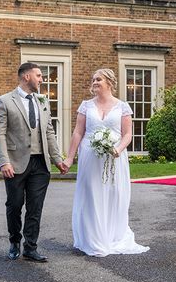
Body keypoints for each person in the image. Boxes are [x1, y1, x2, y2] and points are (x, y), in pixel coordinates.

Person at [63, 68, 149, 257]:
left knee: (113, 193)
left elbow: (127, 134)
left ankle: (112, 236)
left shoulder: (122, 107)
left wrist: (118, 149)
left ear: (109, 82)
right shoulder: (85, 106)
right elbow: (78, 132)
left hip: (115, 157)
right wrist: (70, 158)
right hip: (89, 157)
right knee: (91, 194)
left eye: (98, 79)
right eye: (93, 79)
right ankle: (92, 238)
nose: (94, 82)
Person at [0, 62, 68, 262]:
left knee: (35, 207)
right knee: (15, 205)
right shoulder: (4, 101)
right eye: (39, 75)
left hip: (40, 164)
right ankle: (14, 241)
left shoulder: (43, 101)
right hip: (15, 163)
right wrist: (4, 162)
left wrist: (57, 159)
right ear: (26, 76)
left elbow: (49, 131)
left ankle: (31, 247)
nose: (42, 79)